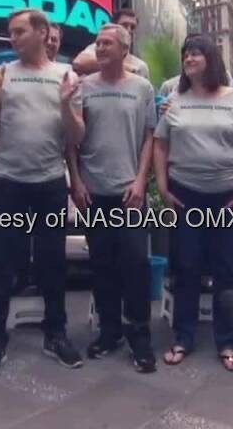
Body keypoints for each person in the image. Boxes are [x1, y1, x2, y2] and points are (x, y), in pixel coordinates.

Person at [0, 8, 85, 380]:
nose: (12, 38)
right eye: (10, 32)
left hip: (50, 184)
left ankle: (55, 334)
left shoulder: (66, 76)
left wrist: (66, 103)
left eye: (19, 31)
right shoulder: (2, 74)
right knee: (1, 264)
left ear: (42, 32)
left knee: (52, 263)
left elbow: (77, 136)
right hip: (7, 182)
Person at [154, 35, 233, 372]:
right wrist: (163, 187)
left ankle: (226, 341)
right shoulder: (174, 100)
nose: (189, 59)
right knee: (187, 267)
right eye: (186, 54)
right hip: (186, 196)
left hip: (228, 198)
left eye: (196, 54)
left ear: (211, 59)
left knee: (227, 271)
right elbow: (160, 143)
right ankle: (183, 337)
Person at [68, 23, 158, 373]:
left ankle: (140, 336)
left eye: (108, 43)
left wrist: (141, 180)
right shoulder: (84, 87)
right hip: (93, 192)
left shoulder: (142, 88)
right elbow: (71, 139)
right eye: (98, 43)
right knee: (101, 264)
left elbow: (150, 137)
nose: (101, 48)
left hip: (129, 193)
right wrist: (76, 180)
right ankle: (110, 331)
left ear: (125, 50)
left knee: (136, 263)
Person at [72, 9, 150, 79]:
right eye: (124, 25)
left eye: (132, 27)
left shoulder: (141, 66)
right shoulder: (99, 48)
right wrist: (127, 69)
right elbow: (79, 63)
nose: (129, 30)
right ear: (113, 27)